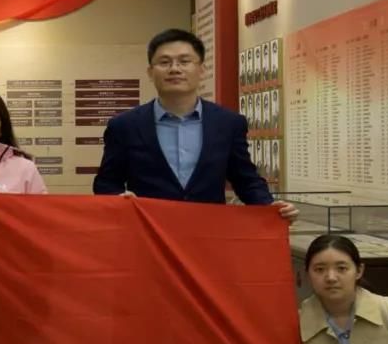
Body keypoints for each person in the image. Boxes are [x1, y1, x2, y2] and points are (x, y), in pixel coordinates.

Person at [92, 29, 297, 221]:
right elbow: (106, 182)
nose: (175, 69)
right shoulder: (125, 125)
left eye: (184, 61)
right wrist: (118, 197)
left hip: (209, 231)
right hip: (148, 232)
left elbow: (245, 179)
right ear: (150, 72)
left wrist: (270, 206)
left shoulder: (228, 123)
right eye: (164, 62)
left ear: (201, 70)